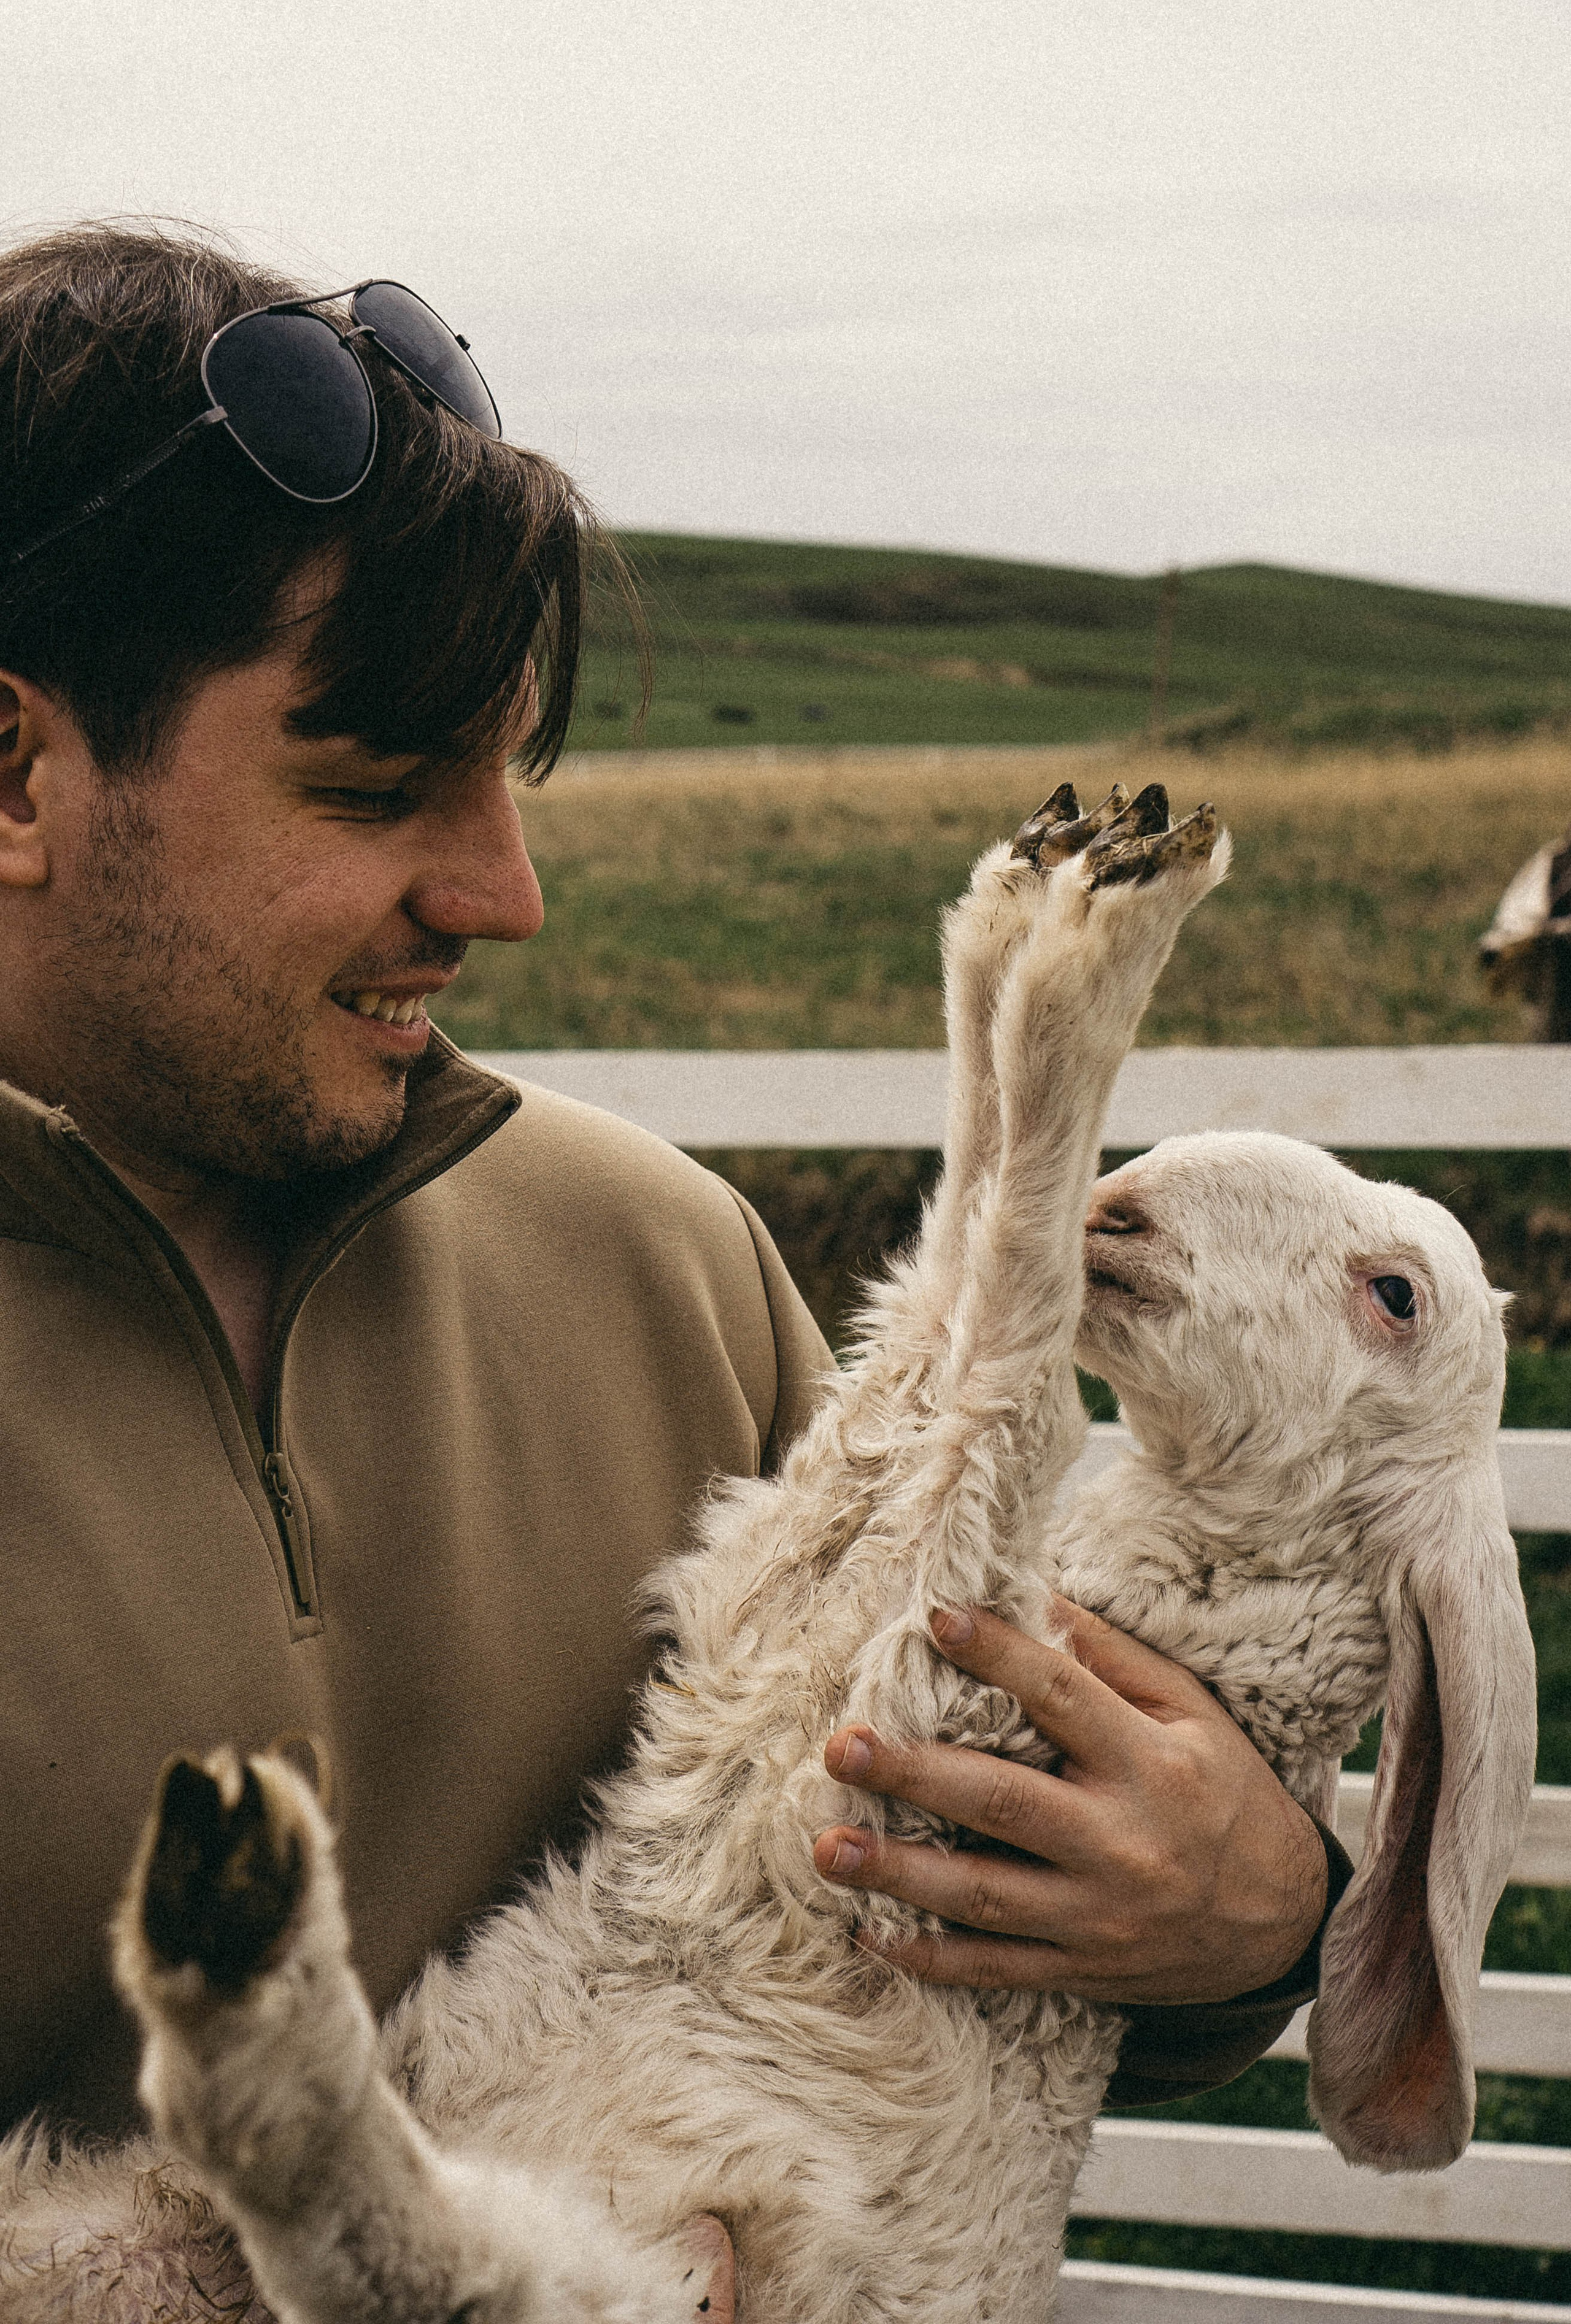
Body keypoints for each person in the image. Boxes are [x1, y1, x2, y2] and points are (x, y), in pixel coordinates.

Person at [0, 221, 1341, 2236]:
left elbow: (940, 1890)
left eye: (510, 779)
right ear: (16, 773)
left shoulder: (660, 1266)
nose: (506, 891)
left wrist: (1242, 1914)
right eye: (376, 789)